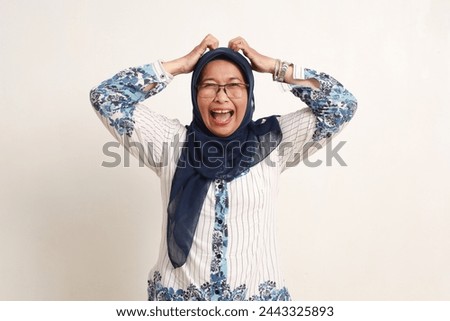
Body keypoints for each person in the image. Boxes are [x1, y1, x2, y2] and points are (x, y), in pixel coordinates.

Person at [89, 34, 357, 301]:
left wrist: (275, 67)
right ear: (195, 94)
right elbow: (107, 97)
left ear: (249, 92)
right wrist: (180, 65)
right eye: (209, 85)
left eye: (234, 85)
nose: (221, 97)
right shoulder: (169, 142)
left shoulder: (274, 141)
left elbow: (341, 105)